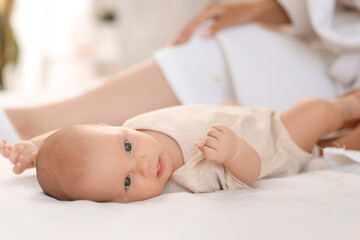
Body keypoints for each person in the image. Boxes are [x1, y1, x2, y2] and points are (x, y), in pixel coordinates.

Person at [1, 0, 359, 143]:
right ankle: (33, 124)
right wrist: (253, 8)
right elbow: (330, 14)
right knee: (220, 35)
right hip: (337, 60)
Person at [1, 92, 360, 203]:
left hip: (243, 113)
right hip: (279, 139)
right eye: (127, 183)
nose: (141, 165)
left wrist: (33, 150)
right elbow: (248, 177)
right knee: (320, 112)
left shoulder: (129, 129)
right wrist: (234, 153)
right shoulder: (189, 177)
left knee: (328, 133)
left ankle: (338, 126)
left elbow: (74, 144)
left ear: (107, 127)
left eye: (127, 148)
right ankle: (344, 110)